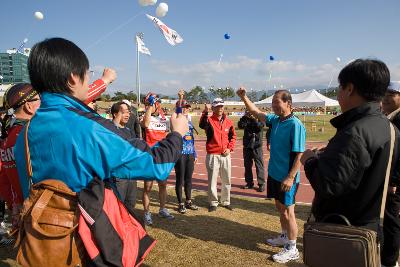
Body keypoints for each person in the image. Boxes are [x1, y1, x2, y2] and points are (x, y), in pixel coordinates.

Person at [14, 38, 188, 225]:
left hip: (39, 237)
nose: (88, 80)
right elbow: (157, 165)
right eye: (87, 74)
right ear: (74, 78)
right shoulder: (88, 127)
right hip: (83, 241)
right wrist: (177, 134)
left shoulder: (24, 133)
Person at [300, 59, 400, 267]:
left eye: (339, 88)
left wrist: (310, 160)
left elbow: (328, 184)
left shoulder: (354, 132)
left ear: (350, 89)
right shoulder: (389, 128)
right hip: (371, 226)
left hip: (344, 230)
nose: (337, 95)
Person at [237, 87, 306, 264]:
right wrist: (244, 97)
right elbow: (255, 111)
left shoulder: (295, 125)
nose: (273, 105)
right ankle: (284, 236)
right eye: (273, 102)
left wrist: (290, 177)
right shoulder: (276, 120)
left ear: (288, 103)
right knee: (279, 207)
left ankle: (292, 248)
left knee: (289, 211)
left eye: (277, 102)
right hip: (274, 174)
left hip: (287, 177)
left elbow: (300, 155)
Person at [0, 84, 40, 232]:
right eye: (40, 100)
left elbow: (4, 178)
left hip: (22, 208)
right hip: (39, 210)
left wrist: (13, 205)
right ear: (29, 106)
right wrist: (104, 82)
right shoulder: (29, 134)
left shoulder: (8, 135)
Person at [141, 93, 175, 225]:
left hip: (162, 157)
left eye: (158, 103)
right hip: (149, 157)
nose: (157, 105)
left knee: (163, 185)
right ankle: (147, 213)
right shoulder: (144, 116)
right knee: (148, 187)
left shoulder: (163, 118)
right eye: (155, 103)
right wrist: (150, 106)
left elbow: (168, 134)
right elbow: (146, 123)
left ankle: (162, 209)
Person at [199, 98, 236, 212]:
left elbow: (233, 137)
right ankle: (213, 202)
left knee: (226, 180)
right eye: (218, 106)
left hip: (225, 155)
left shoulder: (229, 122)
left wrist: (229, 149)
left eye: (222, 106)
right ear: (213, 108)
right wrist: (205, 112)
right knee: (212, 181)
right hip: (213, 155)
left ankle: (225, 201)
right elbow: (201, 124)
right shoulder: (209, 120)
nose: (220, 108)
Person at [379, 81, 400, 267]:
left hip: (393, 182)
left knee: (391, 222)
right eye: (385, 93)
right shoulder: (387, 116)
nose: (386, 96)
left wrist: (394, 180)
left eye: (392, 93)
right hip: (384, 178)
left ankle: (390, 261)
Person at [110, 101, 138, 209]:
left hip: (131, 174)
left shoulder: (128, 130)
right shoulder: (109, 129)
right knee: (118, 205)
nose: (127, 115)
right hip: (118, 175)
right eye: (124, 112)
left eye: (128, 112)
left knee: (130, 204)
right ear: (115, 114)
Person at [174, 100, 198, 214]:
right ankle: (180, 203)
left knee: (189, 179)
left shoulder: (189, 121)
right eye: (184, 107)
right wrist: (180, 99)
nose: (186, 109)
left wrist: (195, 153)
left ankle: (188, 201)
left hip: (190, 154)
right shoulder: (176, 120)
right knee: (180, 179)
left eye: (188, 107)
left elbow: (192, 139)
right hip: (180, 154)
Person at [238, 110, 265, 192]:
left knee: (259, 165)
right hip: (247, 145)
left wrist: (254, 119)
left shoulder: (260, 118)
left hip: (257, 146)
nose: (250, 113)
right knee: (247, 165)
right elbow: (240, 126)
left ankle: (261, 184)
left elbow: (258, 127)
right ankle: (249, 183)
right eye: (248, 111)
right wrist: (245, 117)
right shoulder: (246, 118)